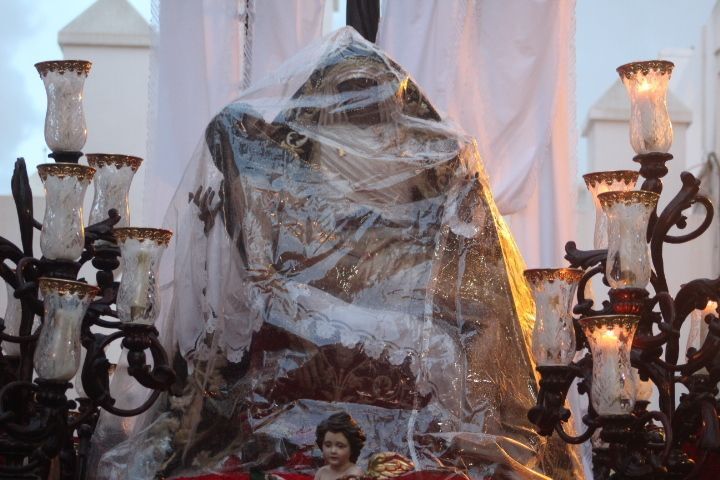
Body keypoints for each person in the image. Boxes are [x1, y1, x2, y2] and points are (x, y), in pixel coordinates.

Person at [314, 413, 366, 480]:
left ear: (352, 449)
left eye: (340, 446)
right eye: (328, 445)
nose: (333, 451)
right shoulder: (321, 472)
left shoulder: (354, 473)